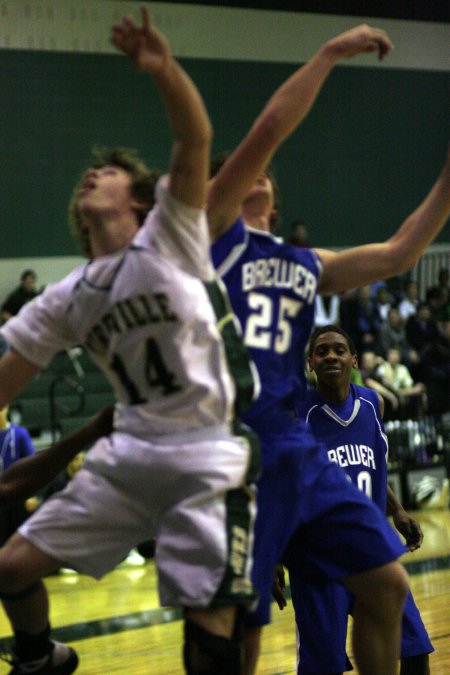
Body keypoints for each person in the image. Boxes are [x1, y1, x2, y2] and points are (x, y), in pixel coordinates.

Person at [0, 9, 260, 675]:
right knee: (9, 564)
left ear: (138, 201)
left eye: (108, 172)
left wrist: (163, 68)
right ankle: (39, 657)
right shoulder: (68, 294)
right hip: (130, 456)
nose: (92, 175)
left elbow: (194, 136)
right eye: (88, 174)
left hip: (203, 453)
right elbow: (5, 379)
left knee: (209, 640)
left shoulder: (168, 234)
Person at [206, 23, 450, 675]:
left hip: (287, 441)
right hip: (228, 442)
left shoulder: (302, 261)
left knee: (387, 585)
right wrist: (330, 53)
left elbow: (400, 254)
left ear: (275, 201)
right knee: (239, 634)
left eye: (262, 178)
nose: (252, 175)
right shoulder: (207, 239)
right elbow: (267, 130)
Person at [281, 325, 433, 675]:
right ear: (310, 364)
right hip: (317, 555)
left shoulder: (372, 403)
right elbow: (281, 483)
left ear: (353, 359)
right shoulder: (297, 414)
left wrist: (396, 510)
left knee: (413, 649)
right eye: (322, 351)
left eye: (338, 349)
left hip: (371, 547)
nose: (330, 356)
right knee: (324, 666)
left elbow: (372, 462)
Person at [0, 406, 36, 546]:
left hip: (17, 496)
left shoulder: (20, 434)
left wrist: (31, 495)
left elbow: (32, 467)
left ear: (7, 408)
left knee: (17, 540)